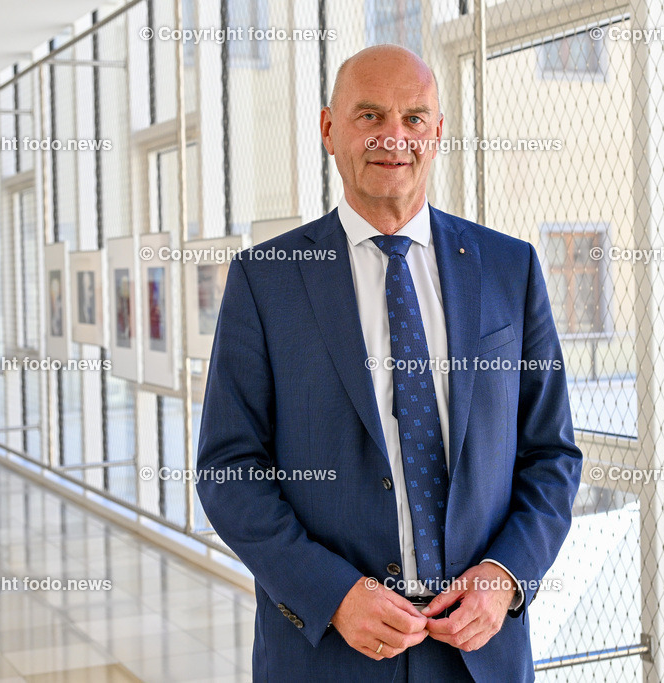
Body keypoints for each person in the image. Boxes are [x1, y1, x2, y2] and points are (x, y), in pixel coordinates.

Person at [196, 44, 582, 682]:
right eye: (369, 116)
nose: (393, 137)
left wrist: (505, 575)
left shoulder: (508, 270)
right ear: (328, 129)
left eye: (413, 118)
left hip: (478, 656)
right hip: (328, 653)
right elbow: (229, 471)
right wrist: (335, 593)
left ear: (437, 133)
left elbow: (552, 455)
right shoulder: (266, 280)